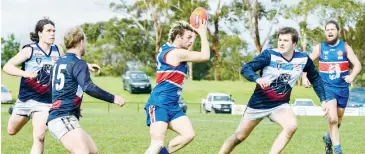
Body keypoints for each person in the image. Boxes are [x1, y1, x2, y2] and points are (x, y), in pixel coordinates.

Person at [219, 27, 328, 154]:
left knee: (291, 126)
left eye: (286, 40)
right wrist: (257, 79)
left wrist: (323, 100)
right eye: (280, 40)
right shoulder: (269, 55)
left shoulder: (303, 59)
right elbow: (246, 68)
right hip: (258, 104)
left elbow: (315, 78)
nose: (281, 43)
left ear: (294, 44)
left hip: (280, 105)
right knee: (239, 137)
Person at [3, 18, 100, 154]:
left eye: (54, 30)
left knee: (39, 136)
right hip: (25, 100)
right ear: (39, 33)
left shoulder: (58, 51)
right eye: (48, 31)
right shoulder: (29, 50)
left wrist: (87, 65)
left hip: (45, 102)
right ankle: (18, 111)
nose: (52, 33)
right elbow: (7, 66)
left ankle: (35, 116)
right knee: (11, 131)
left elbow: (70, 62)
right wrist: (26, 73)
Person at [46, 26, 125, 154]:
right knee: (82, 151)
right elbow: (88, 87)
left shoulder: (59, 62)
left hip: (64, 116)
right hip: (62, 117)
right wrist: (114, 98)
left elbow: (51, 89)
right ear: (81, 42)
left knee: (92, 150)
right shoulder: (79, 63)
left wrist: (74, 106)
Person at [144, 20, 210, 154]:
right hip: (159, 103)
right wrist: (203, 34)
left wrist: (193, 33)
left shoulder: (167, 48)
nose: (191, 41)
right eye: (188, 38)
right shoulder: (176, 53)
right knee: (156, 144)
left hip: (172, 105)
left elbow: (186, 51)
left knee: (188, 134)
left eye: (193, 38)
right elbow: (205, 56)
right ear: (178, 37)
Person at [302, 20, 362, 154]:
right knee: (333, 119)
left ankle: (328, 139)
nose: (330, 32)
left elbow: (358, 65)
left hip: (342, 89)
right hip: (326, 88)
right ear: (325, 32)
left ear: (338, 32)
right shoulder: (320, 48)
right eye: (327, 29)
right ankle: (338, 150)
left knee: (339, 118)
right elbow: (307, 63)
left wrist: (352, 76)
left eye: (332, 29)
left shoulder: (345, 47)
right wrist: (304, 77)